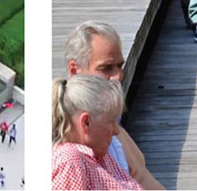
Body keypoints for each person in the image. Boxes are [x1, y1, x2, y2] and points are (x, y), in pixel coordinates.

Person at [64, 22, 164, 189]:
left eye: (120, 66)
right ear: (75, 70)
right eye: (106, 68)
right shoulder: (72, 150)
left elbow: (141, 175)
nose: (118, 76)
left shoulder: (109, 120)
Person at [52, 75, 143, 190]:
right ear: (86, 123)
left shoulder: (98, 154)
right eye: (111, 121)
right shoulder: (71, 162)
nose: (116, 131)